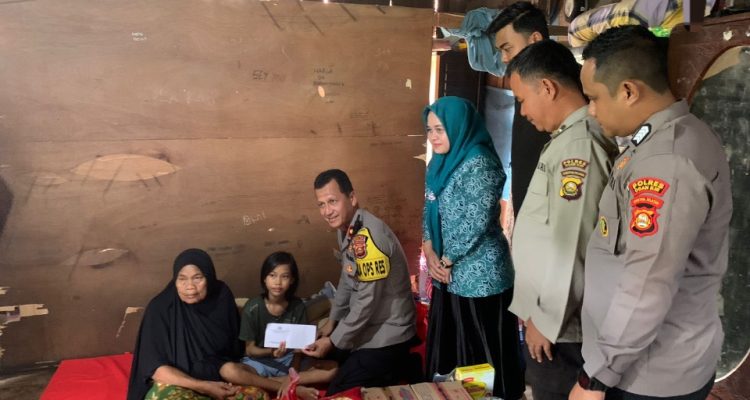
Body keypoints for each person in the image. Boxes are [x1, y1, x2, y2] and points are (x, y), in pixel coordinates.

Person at [570, 26, 732, 400]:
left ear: (629, 91)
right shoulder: (657, 140)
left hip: (647, 374)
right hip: (637, 362)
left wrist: (597, 377)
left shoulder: (667, 162)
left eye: (594, 98)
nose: (591, 111)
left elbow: (647, 282)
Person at [505, 40, 618, 400]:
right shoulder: (566, 139)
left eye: (522, 99)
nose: (523, 112)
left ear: (548, 87)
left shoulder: (578, 146)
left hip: (562, 328)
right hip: (552, 319)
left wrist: (546, 320)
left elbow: (574, 242)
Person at [422, 96, 523, 400]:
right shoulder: (438, 162)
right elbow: (428, 207)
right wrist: (429, 248)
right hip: (447, 274)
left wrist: (447, 259)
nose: (433, 137)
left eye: (440, 129)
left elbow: (477, 219)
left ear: (458, 126)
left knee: (480, 357)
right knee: (450, 351)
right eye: (429, 130)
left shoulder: (481, 162)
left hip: (480, 278)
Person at [302, 169, 417, 395]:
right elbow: (347, 279)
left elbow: (367, 301)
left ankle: (401, 365)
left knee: (339, 391)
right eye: (321, 205)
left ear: (352, 198)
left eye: (332, 201)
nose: (327, 211)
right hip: (366, 326)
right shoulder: (347, 229)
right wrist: (332, 322)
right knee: (319, 357)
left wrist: (334, 340)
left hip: (387, 335)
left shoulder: (367, 238)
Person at [128, 248, 287, 400]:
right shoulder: (160, 308)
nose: (190, 287)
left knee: (256, 396)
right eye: (182, 279)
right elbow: (155, 369)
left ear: (209, 278)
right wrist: (203, 386)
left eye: (197, 278)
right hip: (177, 383)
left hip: (220, 379)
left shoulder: (221, 296)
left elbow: (233, 351)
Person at [487, 1, 551, 217]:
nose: (504, 58)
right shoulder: (524, 85)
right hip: (527, 209)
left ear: (535, 40)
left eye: (508, 48)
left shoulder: (565, 86)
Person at [239, 251, 337, 386]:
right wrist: (272, 352)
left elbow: (298, 349)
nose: (278, 282)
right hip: (260, 362)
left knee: (332, 369)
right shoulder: (252, 307)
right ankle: (279, 383)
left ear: (292, 280)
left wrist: (293, 373)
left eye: (284, 276)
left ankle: (269, 383)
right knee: (232, 371)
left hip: (289, 360)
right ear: (264, 278)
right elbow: (250, 350)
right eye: (272, 275)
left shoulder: (297, 306)